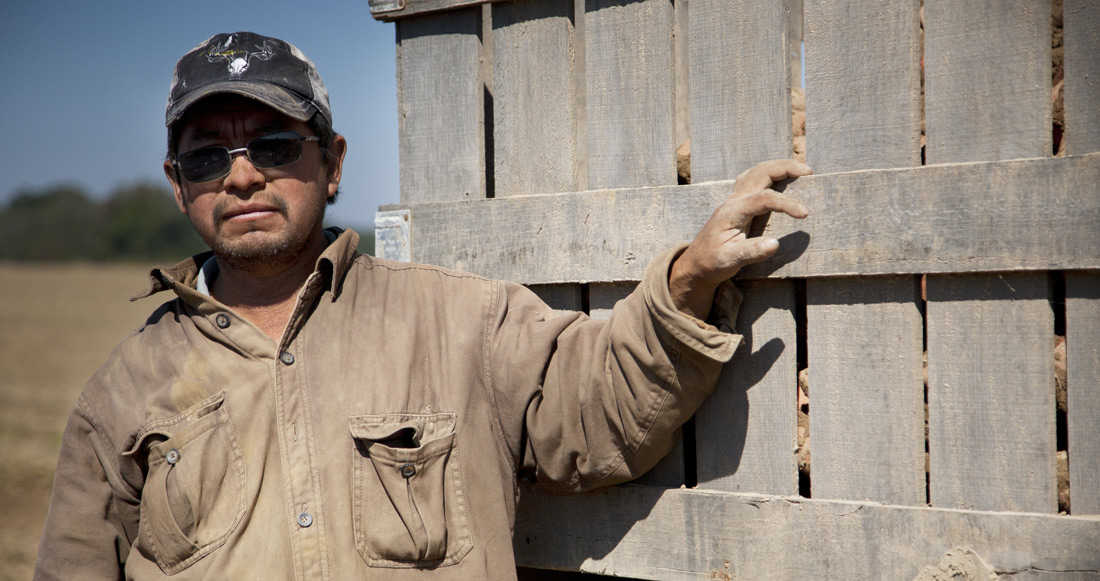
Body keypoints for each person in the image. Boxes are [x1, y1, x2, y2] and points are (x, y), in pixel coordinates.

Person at [34, 31, 811, 580]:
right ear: (178, 185)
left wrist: (689, 277)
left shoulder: (460, 323)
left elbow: (599, 406)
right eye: (208, 157)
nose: (241, 177)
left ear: (332, 164)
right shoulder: (121, 394)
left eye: (273, 146)